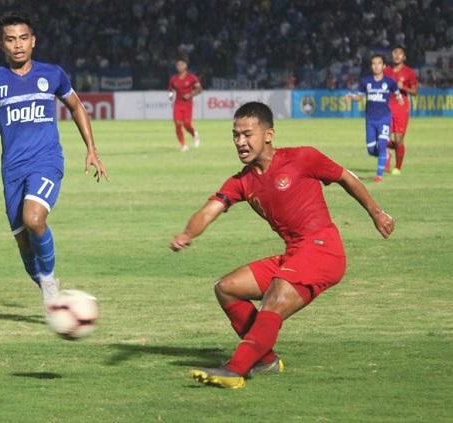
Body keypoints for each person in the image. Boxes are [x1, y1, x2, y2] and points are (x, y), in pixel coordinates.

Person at [169, 102, 394, 389]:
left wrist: (376, 213)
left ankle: (236, 369)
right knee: (226, 288)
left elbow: (345, 177)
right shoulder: (242, 181)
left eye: (247, 134)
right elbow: (209, 210)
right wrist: (188, 234)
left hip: (323, 249)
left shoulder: (303, 157)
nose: (240, 142)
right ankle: (265, 359)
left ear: (268, 135)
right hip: (296, 253)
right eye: (235, 135)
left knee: (273, 298)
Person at [0, 13, 108, 309]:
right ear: (2, 44)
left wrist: (91, 149)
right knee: (23, 241)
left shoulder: (53, 74)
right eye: (11, 39)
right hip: (12, 171)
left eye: (23, 38)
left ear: (33, 41)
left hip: (46, 161)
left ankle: (48, 282)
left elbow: (77, 107)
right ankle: (49, 288)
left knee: (34, 219)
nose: (17, 45)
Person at [346, 54, 403, 182]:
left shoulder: (389, 82)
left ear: (383, 66)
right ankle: (385, 155)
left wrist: (399, 99)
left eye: (379, 63)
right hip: (370, 119)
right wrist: (352, 97)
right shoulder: (366, 82)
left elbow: (397, 93)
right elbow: (359, 97)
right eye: (373, 63)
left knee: (382, 144)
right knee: (371, 150)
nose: (376, 66)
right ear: (371, 66)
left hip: (384, 118)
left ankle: (379, 175)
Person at [383, 45, 418, 175]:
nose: (397, 55)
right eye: (395, 53)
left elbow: (415, 92)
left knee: (398, 140)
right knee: (383, 138)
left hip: (401, 108)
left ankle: (397, 167)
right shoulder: (386, 71)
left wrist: (403, 87)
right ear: (392, 56)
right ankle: (386, 157)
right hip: (386, 107)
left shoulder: (409, 72)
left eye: (400, 53)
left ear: (404, 57)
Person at [167, 58, 202, 152]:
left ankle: (194, 134)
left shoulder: (192, 77)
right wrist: (170, 96)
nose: (179, 67)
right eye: (178, 65)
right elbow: (170, 89)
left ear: (185, 66)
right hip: (177, 104)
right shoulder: (173, 79)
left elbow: (199, 90)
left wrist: (190, 95)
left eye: (181, 65)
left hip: (187, 104)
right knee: (178, 124)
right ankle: (184, 145)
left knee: (187, 124)